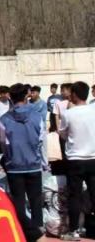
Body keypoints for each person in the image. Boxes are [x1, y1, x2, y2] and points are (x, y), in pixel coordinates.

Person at [0, 82, 45, 240]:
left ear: (10, 98)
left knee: (18, 201)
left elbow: (3, 142)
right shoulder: (37, 116)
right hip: (34, 164)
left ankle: (21, 231)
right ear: (26, 96)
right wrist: (43, 161)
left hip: (14, 165)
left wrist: (9, 156)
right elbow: (41, 140)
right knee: (36, 200)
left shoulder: (4, 119)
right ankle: (38, 231)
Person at [58, 80, 95, 239]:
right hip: (93, 158)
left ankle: (73, 230)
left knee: (75, 196)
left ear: (74, 95)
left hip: (75, 159)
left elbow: (62, 134)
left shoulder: (68, 114)